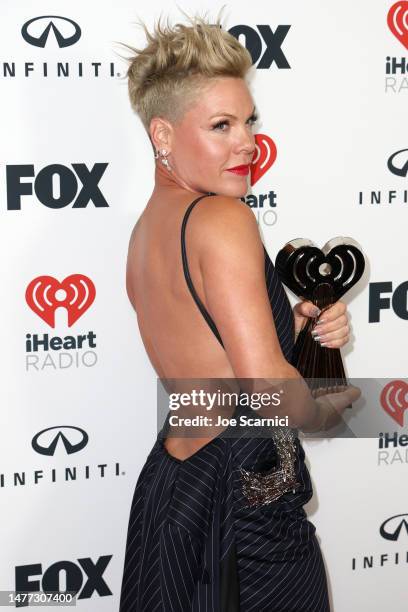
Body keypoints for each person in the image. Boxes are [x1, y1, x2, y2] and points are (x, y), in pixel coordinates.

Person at [119, 13, 358, 612]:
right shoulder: (224, 218)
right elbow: (267, 389)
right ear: (163, 135)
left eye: (249, 121)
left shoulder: (147, 231)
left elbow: (210, 362)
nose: (247, 142)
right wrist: (327, 408)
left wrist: (292, 323)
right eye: (221, 125)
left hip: (176, 483)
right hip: (247, 489)